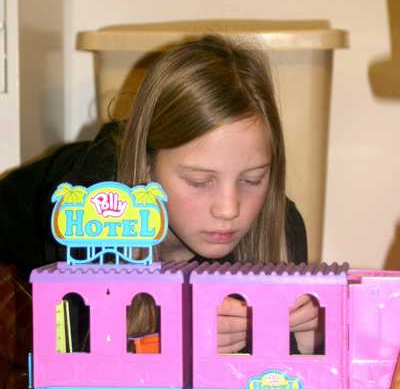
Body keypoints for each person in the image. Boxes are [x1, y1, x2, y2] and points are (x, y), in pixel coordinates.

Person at [0, 34, 321, 355]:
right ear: (147, 164)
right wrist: (174, 337)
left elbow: (276, 371)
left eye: (253, 179)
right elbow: (85, 361)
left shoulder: (281, 228)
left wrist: (313, 342)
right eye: (199, 181)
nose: (229, 209)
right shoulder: (94, 211)